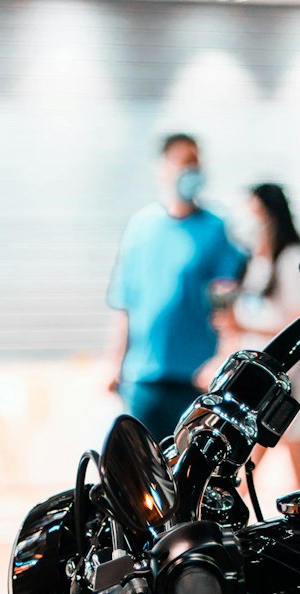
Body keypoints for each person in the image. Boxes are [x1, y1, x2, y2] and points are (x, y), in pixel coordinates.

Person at [107, 133, 246, 443]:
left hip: (196, 379)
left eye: (195, 163)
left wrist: (222, 358)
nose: (191, 171)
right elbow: (125, 302)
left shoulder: (215, 227)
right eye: (183, 163)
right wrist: (115, 363)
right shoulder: (141, 227)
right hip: (143, 379)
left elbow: (225, 301)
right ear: (163, 168)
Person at [217, 183, 300, 489]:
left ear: (271, 216)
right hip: (256, 390)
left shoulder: (291, 259)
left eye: (254, 214)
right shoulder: (254, 263)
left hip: (297, 386)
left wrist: (244, 326)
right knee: (238, 476)